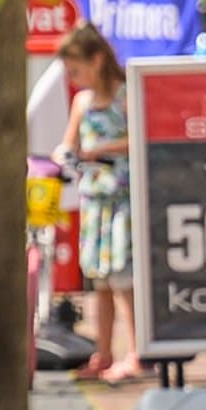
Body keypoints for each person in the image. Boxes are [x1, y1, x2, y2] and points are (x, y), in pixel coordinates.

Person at [54, 26, 143, 385]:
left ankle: (136, 352)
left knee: (124, 278)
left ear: (97, 60)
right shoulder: (82, 102)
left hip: (123, 199)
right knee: (100, 280)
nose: (74, 79)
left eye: (77, 70)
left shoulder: (126, 95)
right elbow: (69, 143)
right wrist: (65, 155)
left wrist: (101, 150)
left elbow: (140, 137)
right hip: (94, 200)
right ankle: (103, 352)